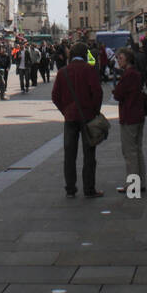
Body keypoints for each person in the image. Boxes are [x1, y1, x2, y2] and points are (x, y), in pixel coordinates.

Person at [51, 41, 104, 198]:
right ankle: (89, 188)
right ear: (85, 54)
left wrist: (65, 111)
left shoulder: (63, 72)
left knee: (69, 154)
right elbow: (97, 93)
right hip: (87, 117)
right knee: (89, 154)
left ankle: (70, 188)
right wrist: (94, 111)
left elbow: (55, 96)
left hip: (70, 118)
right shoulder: (89, 70)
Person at [112, 48, 147, 193]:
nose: (118, 61)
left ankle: (133, 186)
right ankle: (141, 182)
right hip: (138, 115)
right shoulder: (136, 74)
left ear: (127, 59)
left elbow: (118, 94)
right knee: (137, 150)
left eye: (120, 58)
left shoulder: (128, 75)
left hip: (129, 116)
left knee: (130, 152)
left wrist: (116, 90)